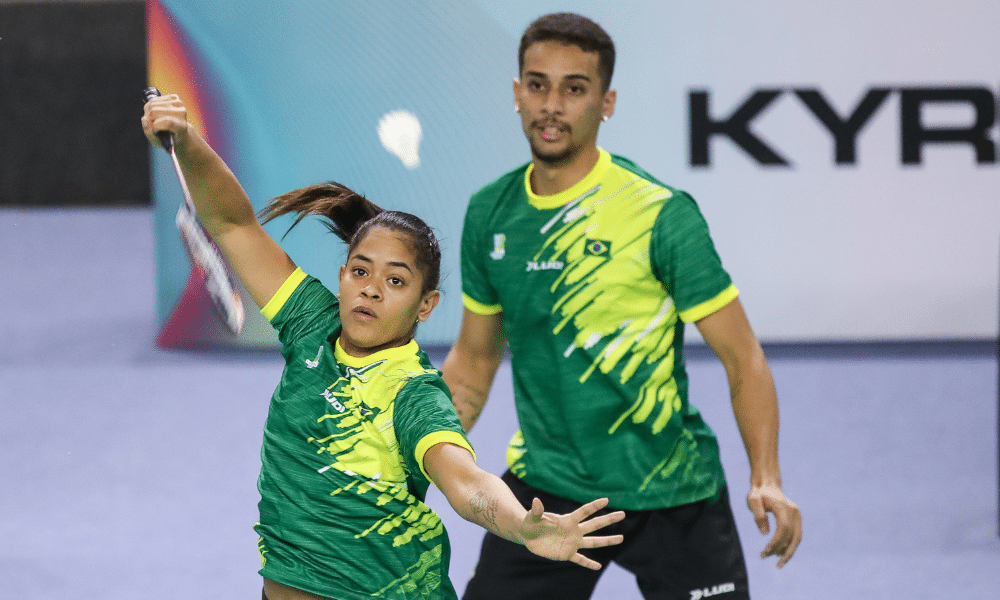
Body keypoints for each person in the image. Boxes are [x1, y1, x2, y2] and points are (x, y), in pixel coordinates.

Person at [142, 93, 626, 600]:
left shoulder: (413, 393)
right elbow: (233, 224)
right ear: (342, 276)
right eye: (360, 271)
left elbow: (466, 483)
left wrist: (517, 525)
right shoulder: (310, 322)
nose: (371, 289)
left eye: (395, 281)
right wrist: (187, 139)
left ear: (425, 305)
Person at [441, 12, 802, 600]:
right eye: (538, 85)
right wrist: (424, 456)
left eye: (574, 89)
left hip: (672, 489)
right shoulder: (491, 213)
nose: (551, 106)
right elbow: (474, 361)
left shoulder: (661, 214)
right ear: (517, 93)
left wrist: (767, 476)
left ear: (606, 103)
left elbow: (743, 358)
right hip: (550, 490)